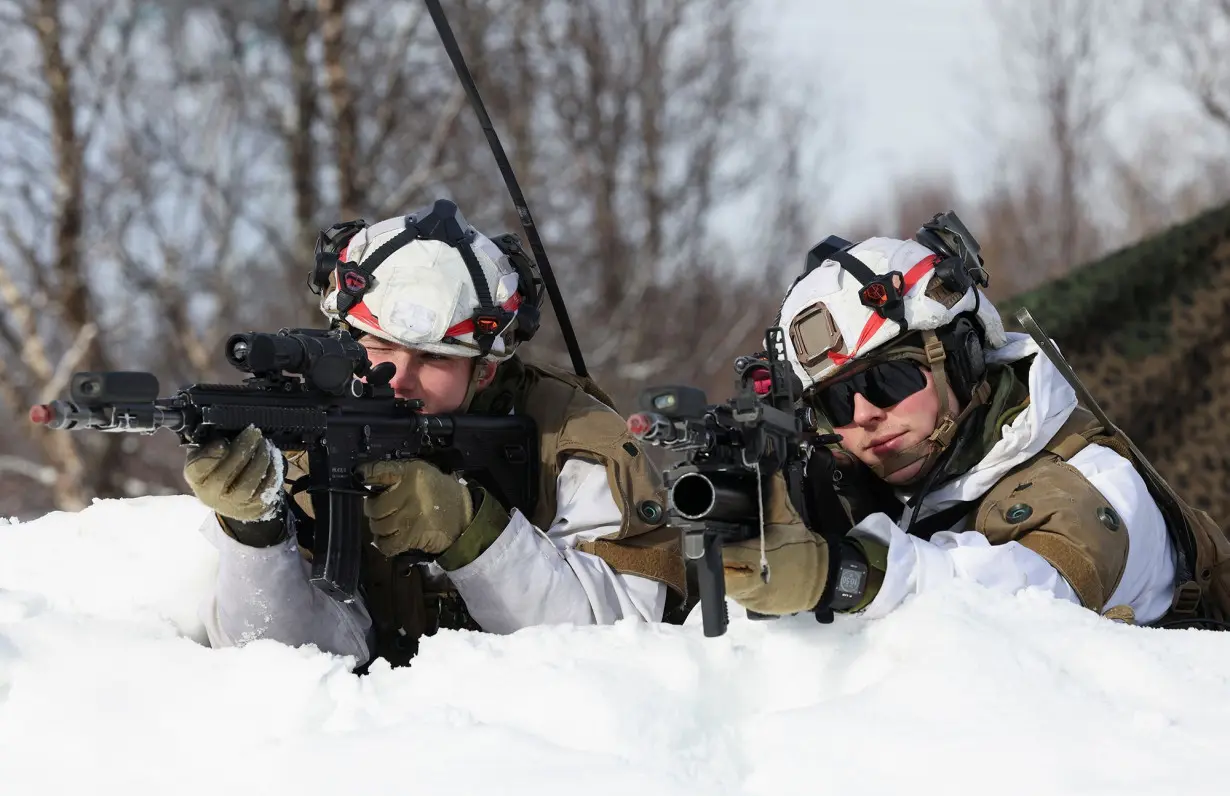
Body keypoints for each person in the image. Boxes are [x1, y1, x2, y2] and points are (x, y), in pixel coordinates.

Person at [184, 199, 686, 667]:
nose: (399, 379)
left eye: (434, 358)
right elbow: (279, 660)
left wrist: (470, 531)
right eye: (378, 346)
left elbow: (621, 644)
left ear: (485, 370)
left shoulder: (574, 436)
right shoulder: (317, 434)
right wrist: (257, 534)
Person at [720, 214, 1208, 628]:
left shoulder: (1094, 482)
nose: (865, 414)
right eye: (837, 402)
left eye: (888, 381)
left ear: (963, 359)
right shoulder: (905, 487)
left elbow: (1026, 599)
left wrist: (840, 573)